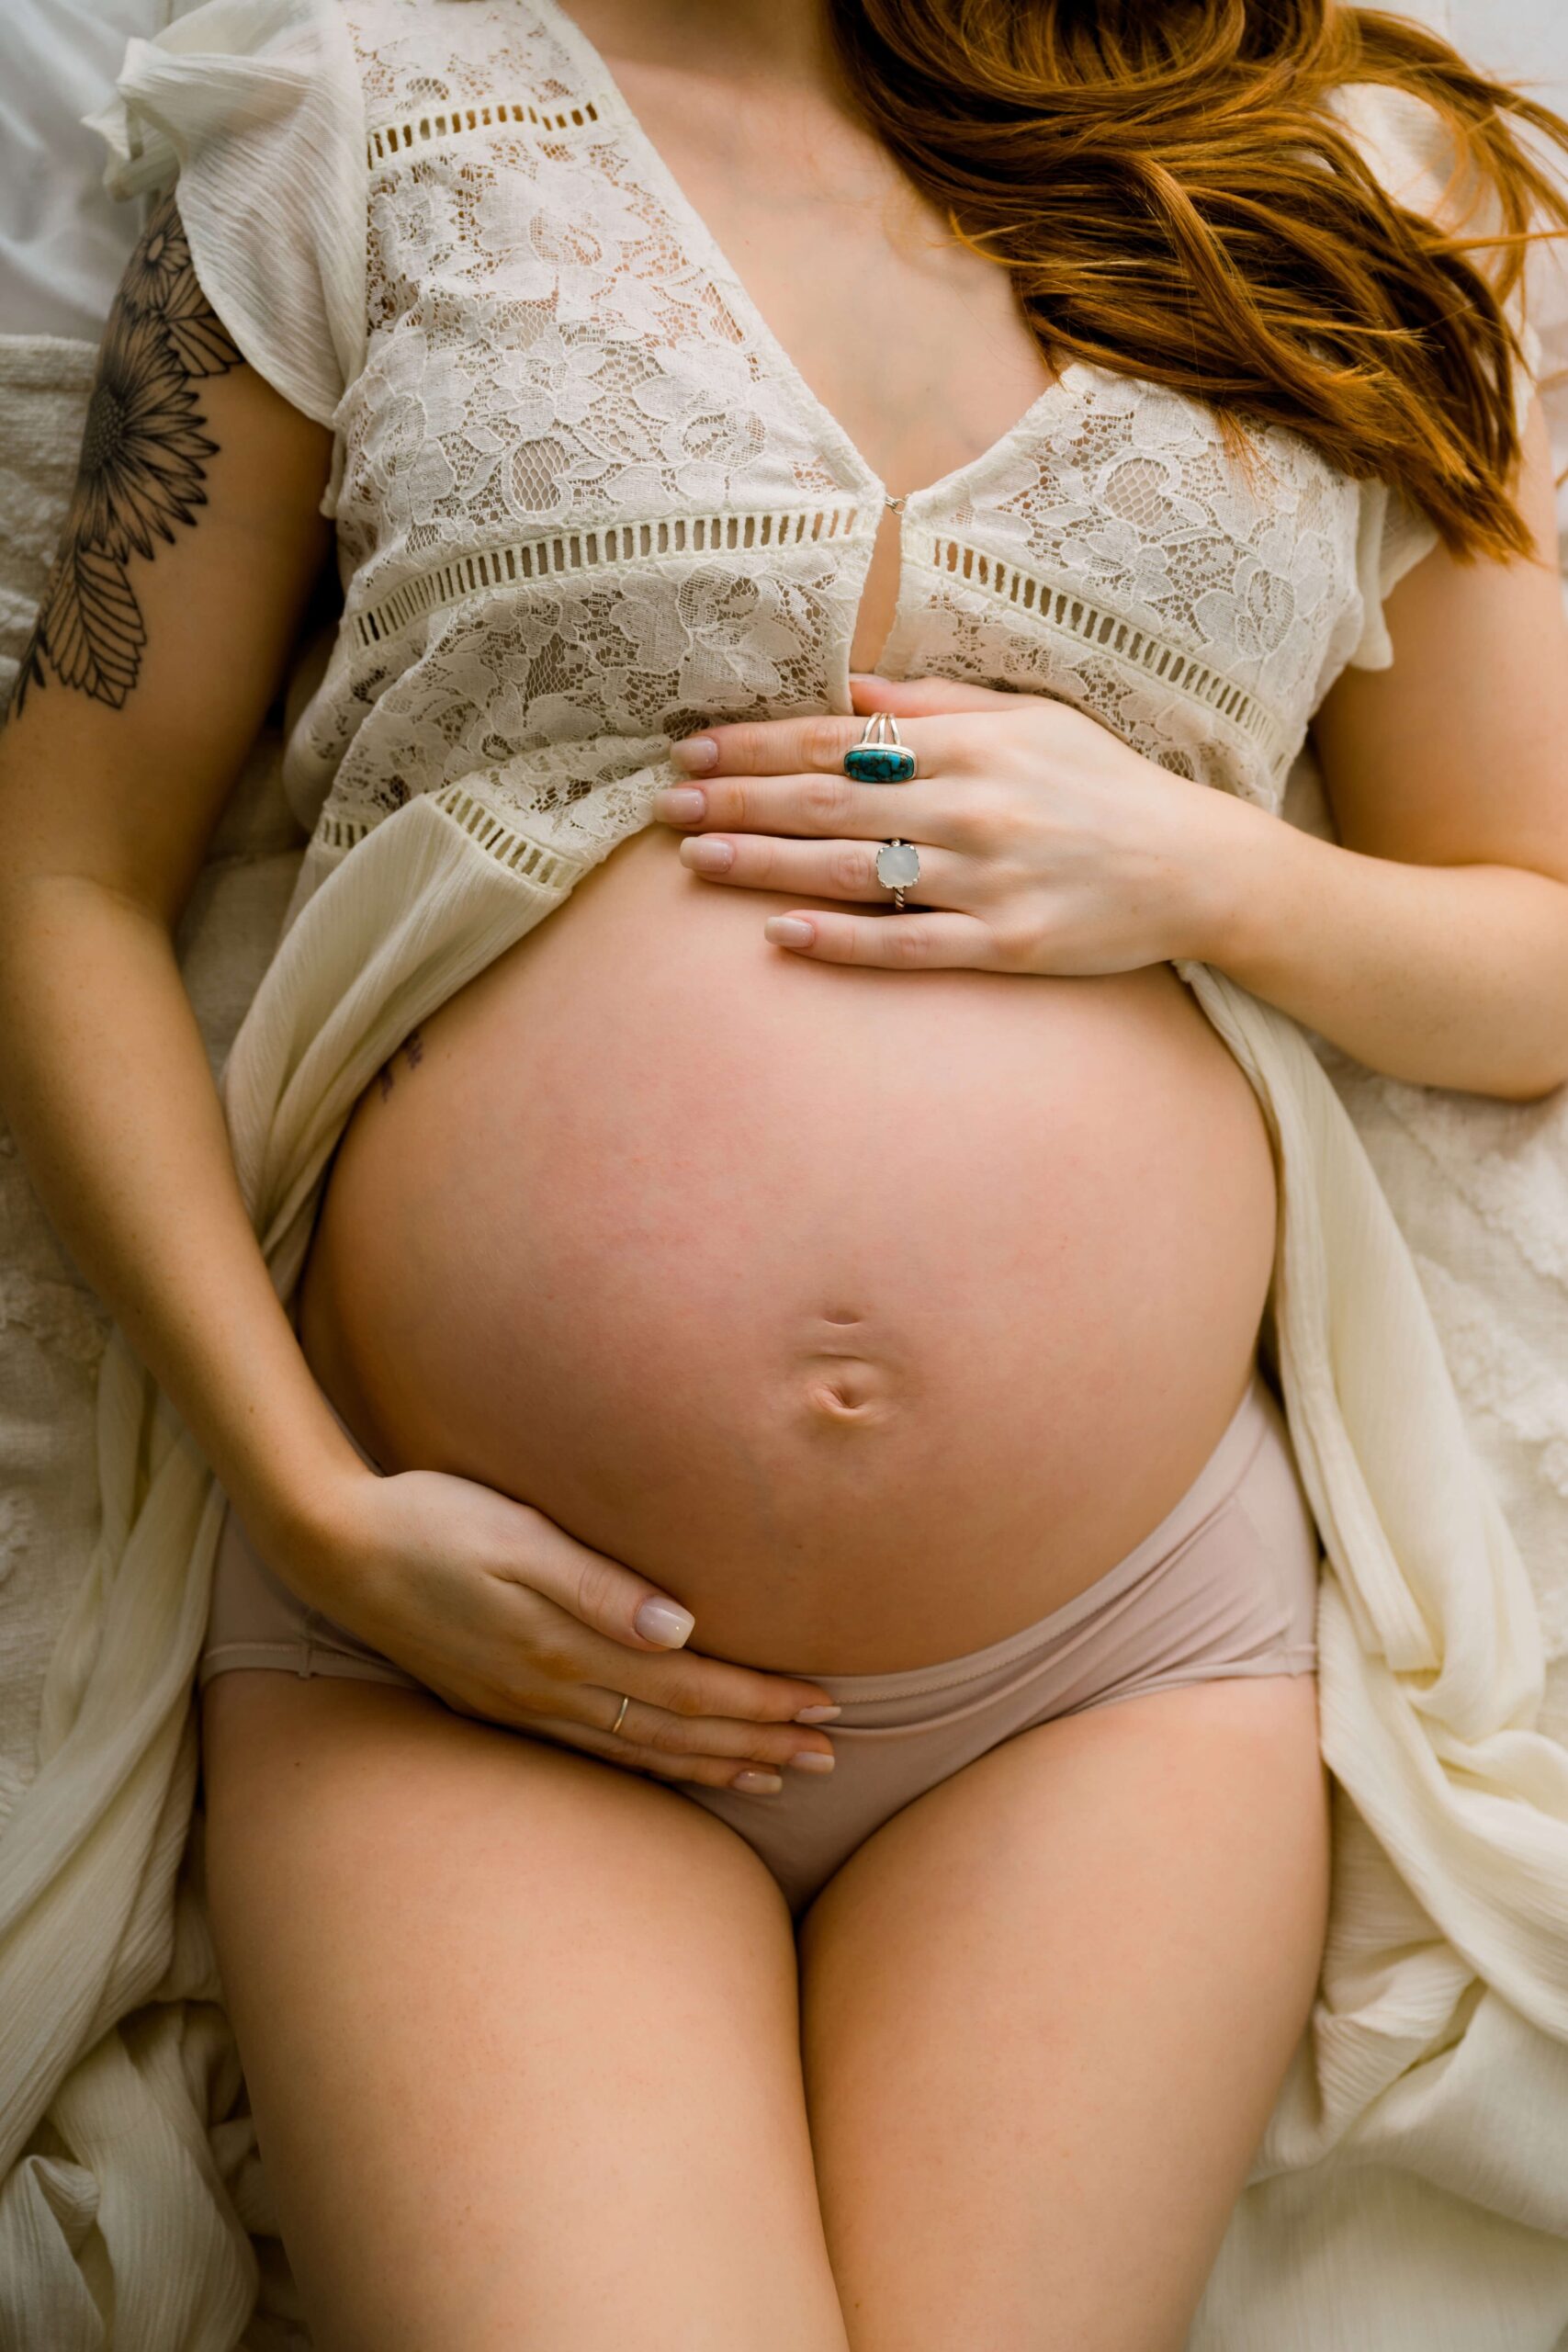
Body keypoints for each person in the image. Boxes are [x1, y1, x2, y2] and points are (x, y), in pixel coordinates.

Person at [4, 0, 1568, 2344]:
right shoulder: (355, 116)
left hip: (1104, 1666)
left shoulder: (1342, 173)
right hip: (466, 1637)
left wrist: (1197, 869)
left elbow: (1531, 938)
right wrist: (313, 1497)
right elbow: (61, 872)